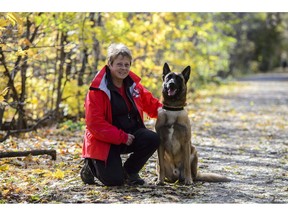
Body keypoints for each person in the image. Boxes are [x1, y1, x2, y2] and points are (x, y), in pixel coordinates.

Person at [80, 43, 162, 186]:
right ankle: (90, 166)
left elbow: (153, 105)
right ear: (109, 64)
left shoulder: (133, 85)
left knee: (152, 138)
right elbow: (95, 124)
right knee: (114, 181)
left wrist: (174, 112)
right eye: (119, 64)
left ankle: (130, 171)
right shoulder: (97, 90)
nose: (123, 68)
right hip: (104, 140)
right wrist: (121, 137)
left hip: (129, 135)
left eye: (126, 65)